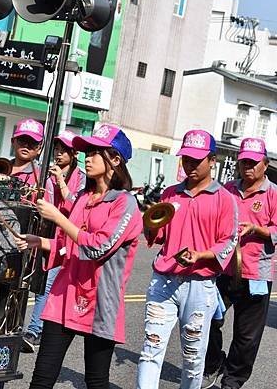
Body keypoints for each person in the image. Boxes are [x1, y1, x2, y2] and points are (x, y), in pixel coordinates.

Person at [16, 124, 142, 389]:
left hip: (100, 300)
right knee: (41, 376)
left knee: (96, 380)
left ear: (115, 159)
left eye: (96, 151)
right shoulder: (84, 196)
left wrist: (59, 218)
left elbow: (98, 247)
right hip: (65, 294)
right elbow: (66, 246)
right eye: (87, 151)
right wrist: (40, 242)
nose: (88, 157)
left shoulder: (125, 203)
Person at [136, 130, 238, 389]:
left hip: (200, 285)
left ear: (212, 160)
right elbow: (159, 236)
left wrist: (201, 255)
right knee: (150, 349)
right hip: (163, 280)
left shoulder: (224, 199)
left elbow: (229, 240)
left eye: (197, 160)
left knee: (193, 358)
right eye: (186, 159)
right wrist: (149, 224)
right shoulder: (170, 193)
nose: (190, 165)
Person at [202, 138, 277, 389]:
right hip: (222, 269)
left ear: (265, 165)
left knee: (247, 337)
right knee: (207, 320)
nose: (248, 167)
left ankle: (233, 380)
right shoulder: (227, 191)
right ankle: (213, 363)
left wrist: (258, 229)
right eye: (244, 161)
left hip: (256, 273)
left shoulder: (273, 194)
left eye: (254, 163)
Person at [22, 129, 85, 353]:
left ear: (73, 153)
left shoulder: (81, 179)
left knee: (47, 285)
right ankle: (38, 327)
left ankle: (34, 330)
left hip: (66, 240)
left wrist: (60, 181)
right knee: (39, 283)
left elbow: (76, 206)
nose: (58, 154)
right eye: (56, 150)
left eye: (63, 150)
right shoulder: (46, 176)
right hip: (46, 235)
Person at [10, 118, 44, 196]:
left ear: (39, 148)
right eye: (22, 140)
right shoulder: (0, 169)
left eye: (32, 142)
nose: (26, 146)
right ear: (13, 142)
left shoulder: (42, 178)